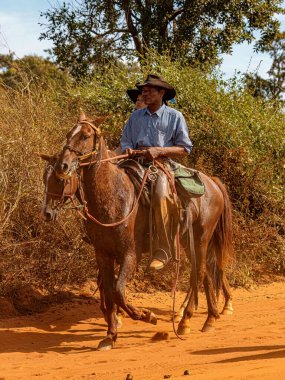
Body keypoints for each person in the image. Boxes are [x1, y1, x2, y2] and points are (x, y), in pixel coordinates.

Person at [121, 74, 193, 270]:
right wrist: (127, 148)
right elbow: (126, 141)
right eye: (144, 90)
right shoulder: (135, 117)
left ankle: (163, 248)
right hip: (134, 163)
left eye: (150, 89)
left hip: (161, 165)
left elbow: (185, 148)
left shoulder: (175, 116)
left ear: (162, 93)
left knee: (161, 196)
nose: (145, 92)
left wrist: (159, 150)